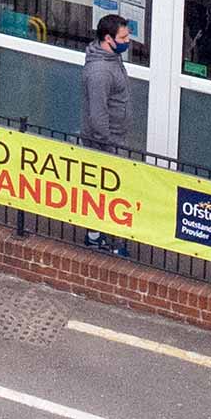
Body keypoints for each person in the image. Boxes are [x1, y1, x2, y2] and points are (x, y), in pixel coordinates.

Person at [80, 14, 136, 257]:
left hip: (115, 137)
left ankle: (103, 234)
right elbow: (97, 113)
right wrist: (108, 143)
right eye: (123, 37)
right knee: (104, 191)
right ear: (108, 39)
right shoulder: (101, 71)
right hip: (106, 142)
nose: (128, 40)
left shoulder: (112, 58)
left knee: (110, 191)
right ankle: (96, 238)